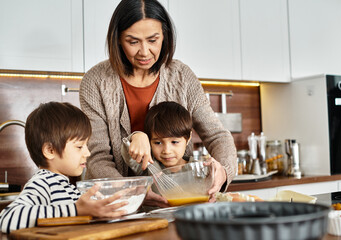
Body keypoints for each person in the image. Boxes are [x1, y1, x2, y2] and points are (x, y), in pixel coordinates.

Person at [79, 0, 237, 206]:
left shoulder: (182, 77)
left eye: (153, 40)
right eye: (133, 41)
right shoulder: (95, 82)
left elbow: (217, 136)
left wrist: (223, 171)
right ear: (117, 39)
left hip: (177, 204)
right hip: (115, 206)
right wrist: (132, 193)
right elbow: (98, 157)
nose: (144, 52)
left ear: (165, 36)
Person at [0, 102, 128, 233]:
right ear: (50, 150)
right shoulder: (43, 183)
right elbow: (7, 219)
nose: (88, 153)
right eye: (79, 147)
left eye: (86, 145)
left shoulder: (68, 187)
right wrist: (75, 210)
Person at [121, 101, 195, 175]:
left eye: (174, 142)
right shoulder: (147, 165)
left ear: (188, 138)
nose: (167, 151)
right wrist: (138, 136)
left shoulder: (198, 168)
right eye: (158, 143)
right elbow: (129, 151)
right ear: (149, 142)